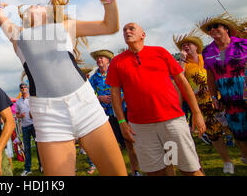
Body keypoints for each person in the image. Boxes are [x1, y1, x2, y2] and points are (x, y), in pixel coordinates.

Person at [0, 0, 128, 176]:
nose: (34, 6)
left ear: (50, 13)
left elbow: (109, 26)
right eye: (29, 7)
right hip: (48, 114)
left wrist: (108, 1)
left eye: (39, 5)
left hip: (84, 104)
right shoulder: (18, 36)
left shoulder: (65, 26)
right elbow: (1, 18)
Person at [106, 22, 206, 176]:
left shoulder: (160, 52)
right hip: (140, 126)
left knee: (190, 168)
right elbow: (115, 95)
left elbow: (182, 83)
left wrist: (197, 113)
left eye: (131, 28)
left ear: (143, 35)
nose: (127, 31)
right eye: (124, 30)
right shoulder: (117, 62)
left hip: (172, 120)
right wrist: (121, 122)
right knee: (155, 172)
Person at [173, 30, 235, 174]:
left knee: (233, 127)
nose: (185, 47)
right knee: (214, 133)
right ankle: (227, 161)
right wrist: (181, 60)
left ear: (196, 46)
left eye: (188, 44)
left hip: (221, 98)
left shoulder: (206, 57)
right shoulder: (183, 65)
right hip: (202, 105)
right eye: (183, 46)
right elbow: (179, 80)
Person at [198, 13, 247, 164]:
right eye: (209, 29)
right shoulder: (208, 51)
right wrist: (213, 97)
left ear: (226, 28)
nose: (212, 30)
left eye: (215, 26)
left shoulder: (243, 44)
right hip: (228, 99)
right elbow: (210, 76)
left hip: (245, 93)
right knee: (239, 133)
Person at [88, 49, 141, 176]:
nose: (99, 60)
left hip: (121, 111)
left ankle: (135, 170)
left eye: (102, 58)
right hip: (106, 114)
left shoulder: (116, 72)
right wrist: (100, 98)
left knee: (129, 141)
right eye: (98, 58)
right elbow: (88, 94)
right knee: (111, 143)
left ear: (108, 60)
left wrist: (117, 100)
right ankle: (117, 170)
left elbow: (126, 88)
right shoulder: (94, 78)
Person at [15, 83, 42, 176]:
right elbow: (17, 114)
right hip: (25, 126)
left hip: (34, 125)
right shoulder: (18, 102)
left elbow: (38, 109)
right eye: (21, 88)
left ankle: (41, 165)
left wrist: (33, 113)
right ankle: (27, 168)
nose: (23, 89)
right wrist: (20, 116)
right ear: (20, 90)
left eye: (24, 87)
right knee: (27, 148)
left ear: (27, 88)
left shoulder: (32, 99)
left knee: (39, 146)